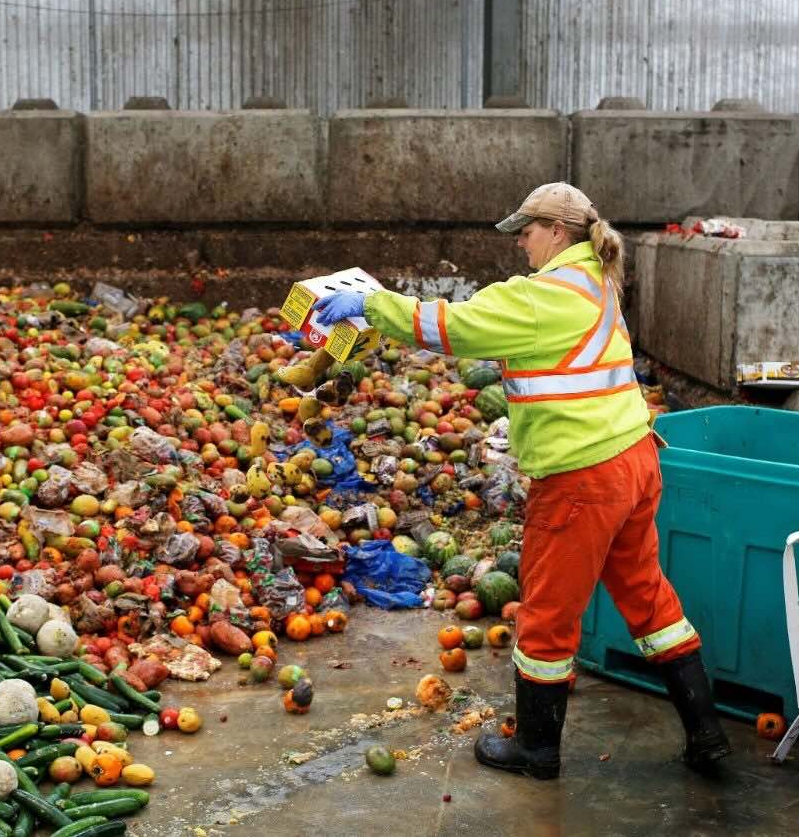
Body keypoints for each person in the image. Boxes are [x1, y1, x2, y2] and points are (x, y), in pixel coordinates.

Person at [311, 182, 730, 780]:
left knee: (545, 615)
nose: (522, 246)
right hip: (635, 459)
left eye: (527, 233)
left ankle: (537, 749)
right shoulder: (597, 282)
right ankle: (706, 733)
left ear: (558, 232)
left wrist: (371, 305)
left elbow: (454, 326)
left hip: (583, 476)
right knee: (648, 598)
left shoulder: (545, 296)